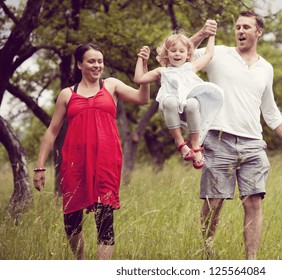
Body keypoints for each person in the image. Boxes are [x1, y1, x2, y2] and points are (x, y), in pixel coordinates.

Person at [190, 11, 282, 259]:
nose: (240, 31)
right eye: (237, 27)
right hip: (219, 139)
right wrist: (202, 34)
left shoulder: (265, 68)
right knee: (214, 202)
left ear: (258, 31)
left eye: (246, 27)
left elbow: (269, 109)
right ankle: (207, 249)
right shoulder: (217, 54)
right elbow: (181, 56)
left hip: (253, 143)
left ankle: (251, 262)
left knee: (253, 202)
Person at [33, 43, 150, 260]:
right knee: (71, 220)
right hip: (74, 163)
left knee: (104, 218)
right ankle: (81, 262)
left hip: (106, 160)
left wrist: (143, 67)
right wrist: (40, 166)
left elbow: (143, 99)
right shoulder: (67, 95)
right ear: (79, 64)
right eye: (91, 61)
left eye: (100, 61)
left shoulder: (112, 86)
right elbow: (52, 132)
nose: (97, 65)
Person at [134, 32, 223, 169]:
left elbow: (209, 55)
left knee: (193, 103)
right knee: (170, 101)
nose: (177, 54)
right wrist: (141, 59)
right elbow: (139, 79)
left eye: (182, 51)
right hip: (170, 106)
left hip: (187, 106)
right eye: (173, 50)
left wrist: (211, 35)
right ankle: (180, 142)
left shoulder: (190, 67)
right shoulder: (162, 71)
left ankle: (195, 145)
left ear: (188, 54)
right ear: (166, 53)